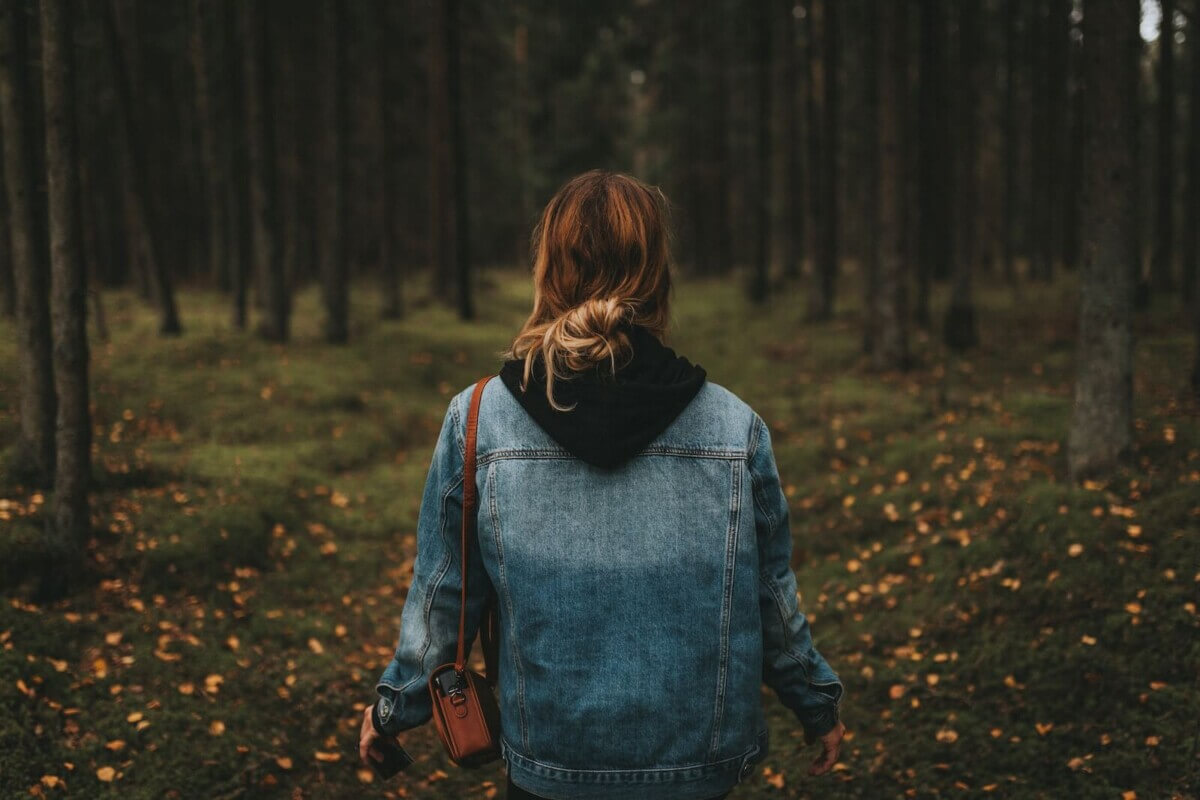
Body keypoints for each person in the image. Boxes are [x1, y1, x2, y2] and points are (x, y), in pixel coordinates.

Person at [359, 170, 845, 800]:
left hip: (548, 766)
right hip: (697, 770)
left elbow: (444, 593)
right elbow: (771, 600)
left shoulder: (480, 420)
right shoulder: (734, 427)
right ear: (656, 274)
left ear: (549, 271)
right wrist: (816, 704)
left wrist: (393, 709)